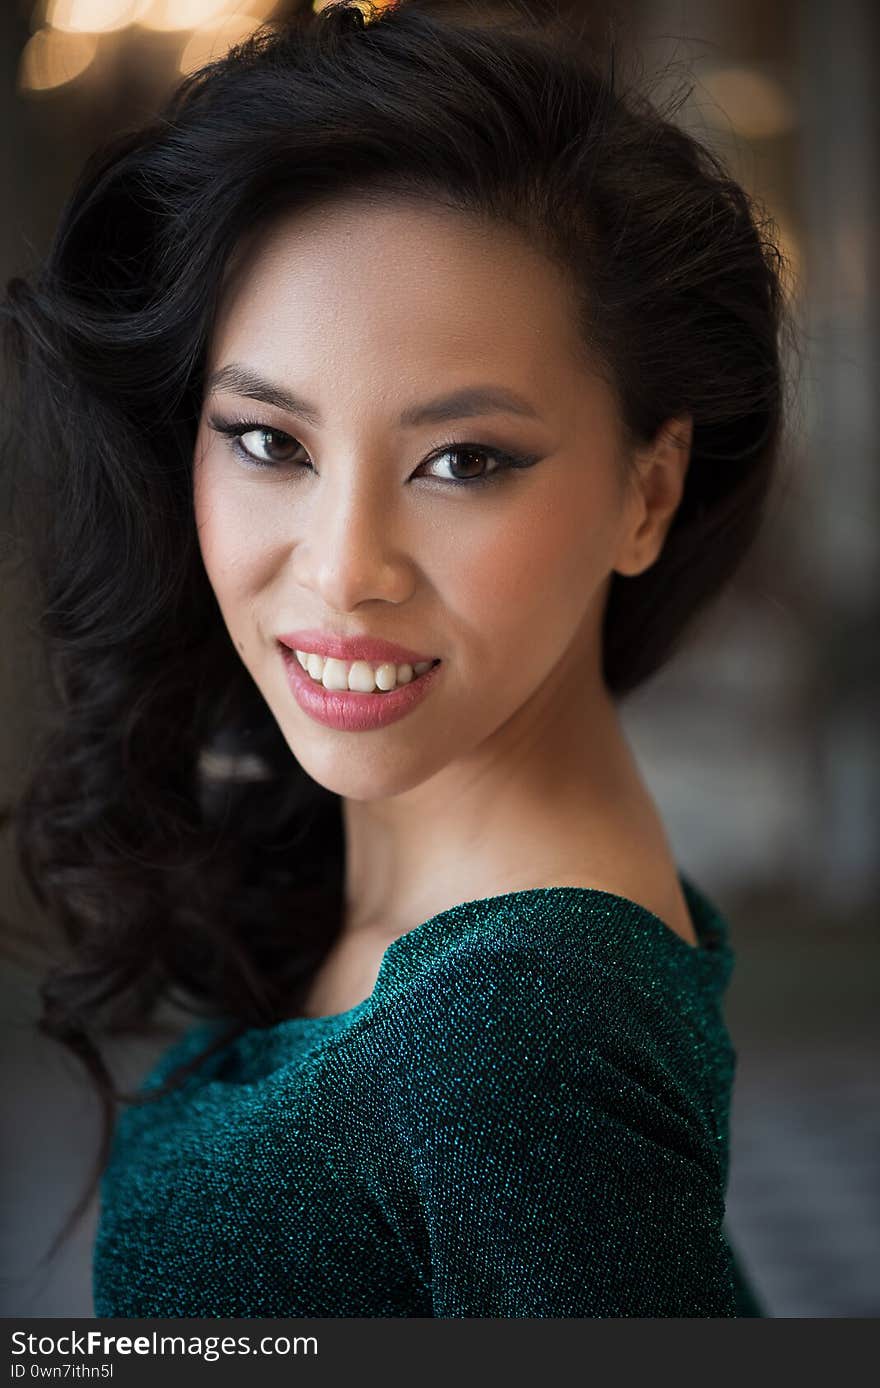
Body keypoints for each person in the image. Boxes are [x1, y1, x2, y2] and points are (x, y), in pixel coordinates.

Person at [0, 0, 788, 1317]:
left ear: (649, 493)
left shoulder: (523, 1027)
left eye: (464, 461)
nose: (343, 565)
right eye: (270, 441)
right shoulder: (376, 862)